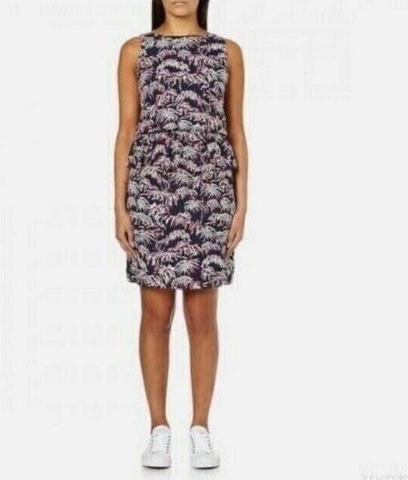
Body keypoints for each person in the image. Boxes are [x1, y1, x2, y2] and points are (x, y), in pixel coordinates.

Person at [114, 0, 248, 470]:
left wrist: (241, 202)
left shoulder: (227, 52)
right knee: (155, 314)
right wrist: (119, 204)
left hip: (210, 195)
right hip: (151, 192)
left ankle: (201, 428)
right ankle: (158, 427)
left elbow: (236, 132)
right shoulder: (136, 51)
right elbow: (126, 132)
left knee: (201, 316)